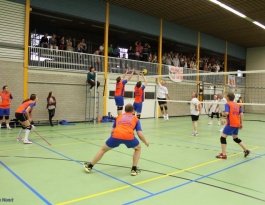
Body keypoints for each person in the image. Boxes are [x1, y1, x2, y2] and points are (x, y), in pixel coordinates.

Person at [83, 103, 149, 176]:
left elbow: (112, 131)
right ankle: (134, 169)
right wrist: (145, 142)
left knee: (103, 150)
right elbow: (139, 134)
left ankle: (90, 167)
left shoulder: (119, 117)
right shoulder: (136, 119)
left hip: (115, 136)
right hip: (129, 137)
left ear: (124, 110)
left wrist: (113, 140)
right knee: (138, 148)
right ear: (133, 111)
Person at [216, 92, 250, 159]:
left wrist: (222, 114)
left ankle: (223, 154)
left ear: (228, 98)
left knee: (222, 138)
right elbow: (242, 114)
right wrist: (241, 123)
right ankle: (246, 150)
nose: (225, 97)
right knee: (235, 138)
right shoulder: (237, 105)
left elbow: (226, 113)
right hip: (237, 123)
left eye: (226, 96)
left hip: (231, 123)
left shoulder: (227, 104)